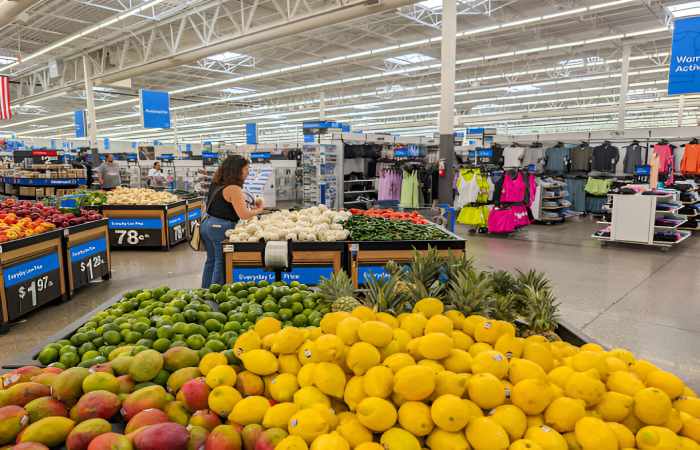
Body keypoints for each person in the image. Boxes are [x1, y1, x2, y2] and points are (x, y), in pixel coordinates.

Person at [201, 155, 263, 288]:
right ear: (237, 170)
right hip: (220, 227)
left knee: (211, 261)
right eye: (246, 169)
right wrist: (259, 210)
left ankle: (204, 291)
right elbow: (244, 214)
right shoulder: (234, 188)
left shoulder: (217, 183)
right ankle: (215, 292)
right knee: (221, 262)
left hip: (207, 224)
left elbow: (222, 205)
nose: (248, 173)